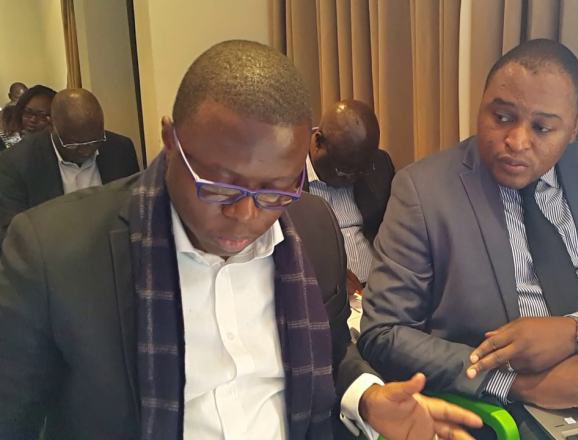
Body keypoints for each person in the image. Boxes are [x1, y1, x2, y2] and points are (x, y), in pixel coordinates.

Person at [0, 40, 482, 440]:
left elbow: (333, 351)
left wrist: (368, 396)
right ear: (170, 140)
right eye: (219, 186)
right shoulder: (53, 253)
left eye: (275, 191)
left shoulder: (312, 226)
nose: (246, 216)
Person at [358, 39, 578, 439]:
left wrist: (576, 332)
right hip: (510, 412)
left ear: (574, 126)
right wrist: (516, 383)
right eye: (502, 117)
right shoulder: (423, 191)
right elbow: (384, 333)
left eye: (542, 128)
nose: (517, 141)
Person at [0, 87, 140, 246]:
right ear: (51, 126)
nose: (85, 150)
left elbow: (133, 213)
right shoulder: (15, 163)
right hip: (51, 255)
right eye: (72, 144)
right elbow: (12, 236)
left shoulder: (120, 149)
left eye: (94, 142)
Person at [306, 99, 395, 334]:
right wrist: (328, 278)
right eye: (343, 170)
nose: (351, 178)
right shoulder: (287, 172)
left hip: (377, 296)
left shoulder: (378, 165)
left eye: (360, 171)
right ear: (318, 143)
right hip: (322, 304)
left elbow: (396, 234)